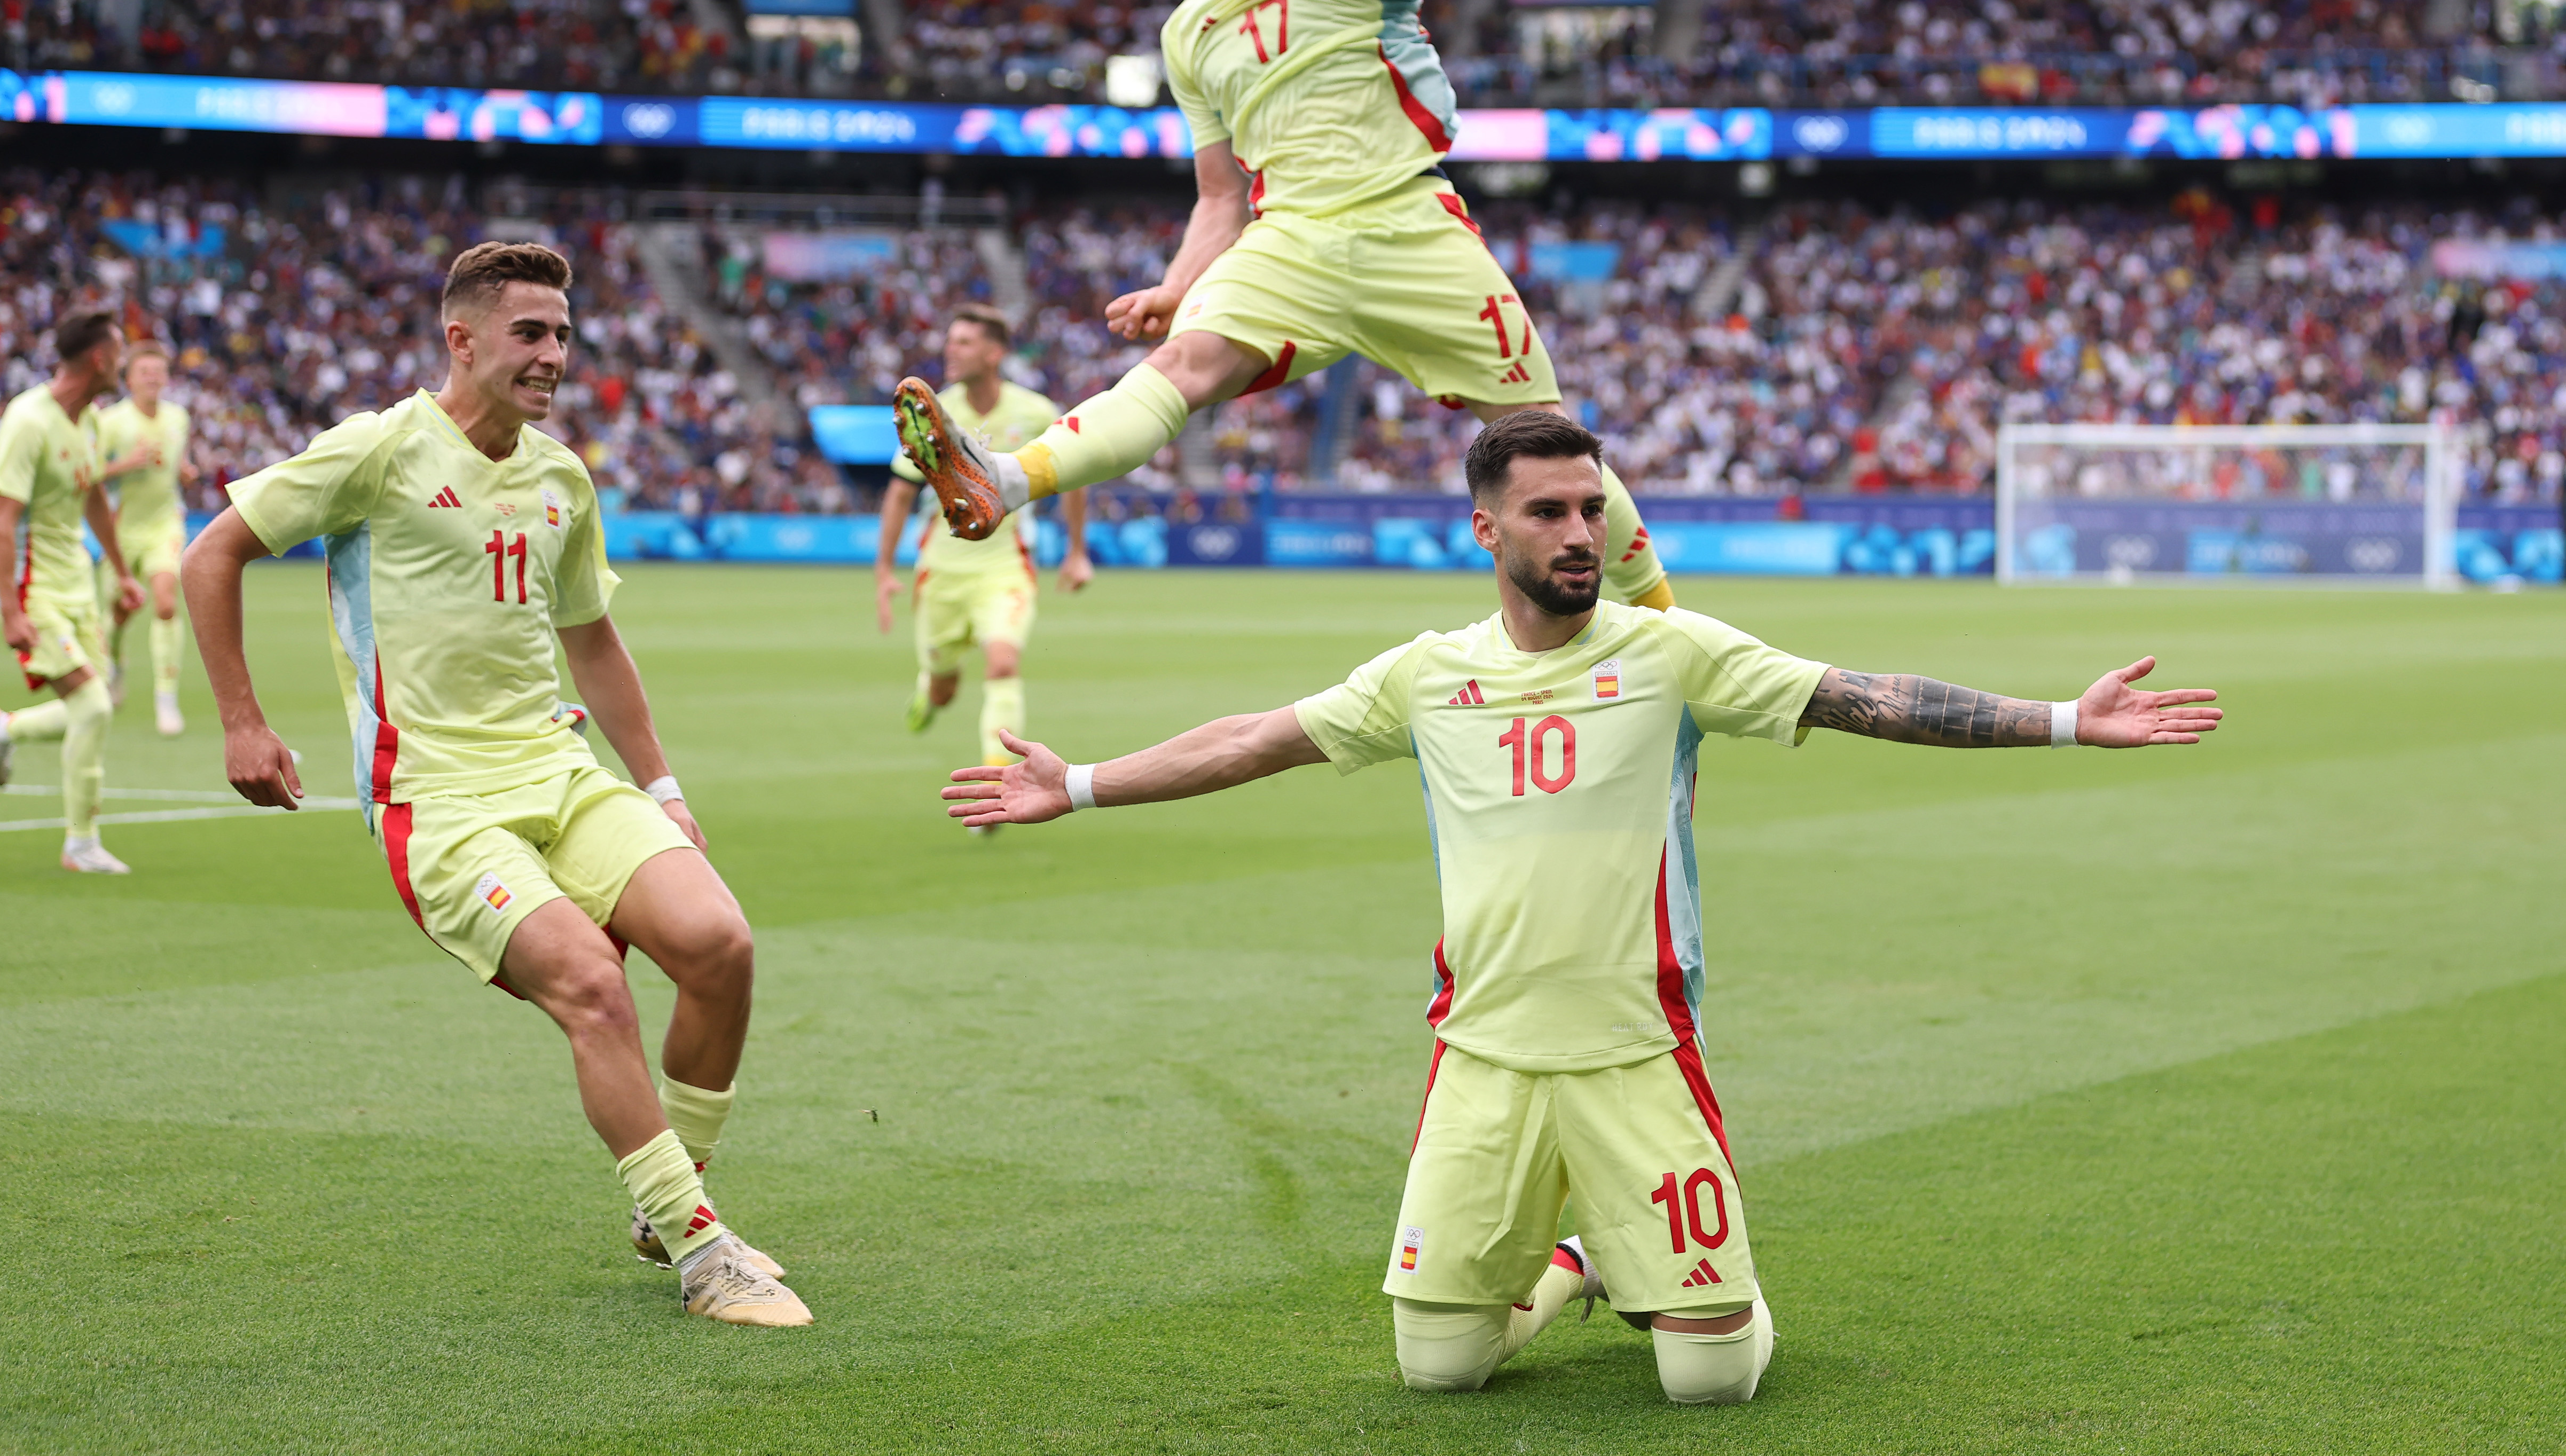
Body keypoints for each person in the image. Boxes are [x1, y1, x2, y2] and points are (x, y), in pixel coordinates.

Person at [941, 411, 2223, 1406]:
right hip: (1483, 1055)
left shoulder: (1672, 654)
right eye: (1547, 510)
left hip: (1635, 1054)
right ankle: (1579, 1263)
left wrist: (2064, 718)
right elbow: (1255, 737)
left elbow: (1864, 694)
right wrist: (1086, 784)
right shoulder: (1426, 675)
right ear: (1487, 530)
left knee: (1709, 1378)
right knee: (1438, 1369)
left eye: (1592, 508)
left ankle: (1662, 1273)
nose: (1578, 531)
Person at [181, 241, 810, 1328]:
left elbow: (595, 643)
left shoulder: (561, 474)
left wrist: (660, 789)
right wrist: (243, 720)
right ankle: (707, 1257)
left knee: (721, 944)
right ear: (460, 340)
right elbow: (211, 554)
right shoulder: (376, 453)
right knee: (592, 988)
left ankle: (673, 1205)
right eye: (531, 333)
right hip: (439, 800)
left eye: (563, 334)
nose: (554, 355)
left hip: (561, 772)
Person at [893, 0, 1675, 610]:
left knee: (1552, 443)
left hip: (1409, 225)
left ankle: (1670, 629)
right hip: (1289, 242)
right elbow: (1219, 194)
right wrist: (1176, 285)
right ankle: (1003, 481)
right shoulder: (1188, 31)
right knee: (1177, 367)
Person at [874, 307, 1093, 778]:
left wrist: (1077, 552)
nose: (951, 350)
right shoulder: (934, 413)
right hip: (943, 571)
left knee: (1002, 663)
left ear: (995, 354)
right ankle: (929, 691)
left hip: (1005, 567)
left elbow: (1075, 474)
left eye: (965, 342)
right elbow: (898, 494)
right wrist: (884, 571)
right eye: (951, 341)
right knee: (945, 690)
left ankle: (999, 779)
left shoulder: (1035, 411)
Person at [0, 307, 148, 875]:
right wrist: (9, 611)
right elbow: (2, 520)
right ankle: (80, 843)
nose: (122, 363)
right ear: (99, 359)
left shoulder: (90, 421)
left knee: (93, 703)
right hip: (33, 587)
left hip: (76, 581)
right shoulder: (28, 420)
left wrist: (121, 571)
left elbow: (94, 494)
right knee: (94, 705)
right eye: (120, 353)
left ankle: (5, 728)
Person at [96, 340, 198, 735]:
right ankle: (115, 668)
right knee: (121, 612)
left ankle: (166, 700)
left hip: (164, 525)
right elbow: (89, 474)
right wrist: (125, 464)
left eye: (159, 371)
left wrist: (185, 471)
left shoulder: (178, 418)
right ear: (129, 379)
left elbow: (177, 464)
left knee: (167, 603)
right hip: (120, 531)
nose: (153, 378)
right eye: (145, 372)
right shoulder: (111, 423)